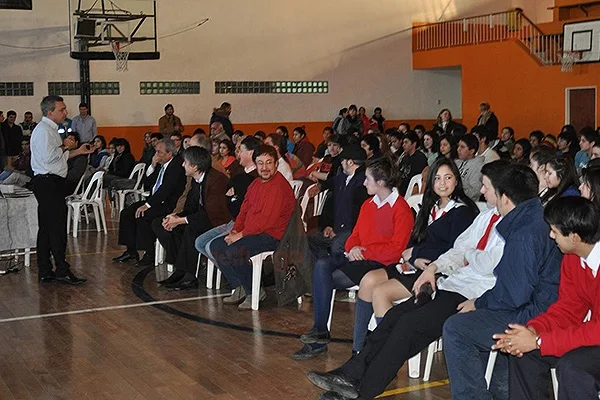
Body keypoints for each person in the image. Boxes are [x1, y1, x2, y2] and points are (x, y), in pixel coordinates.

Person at [304, 160, 510, 400]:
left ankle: (364, 390)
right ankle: (351, 372)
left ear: (501, 190)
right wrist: (432, 265)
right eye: (437, 179)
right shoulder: (484, 218)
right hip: (444, 279)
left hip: (470, 291)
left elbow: (480, 260)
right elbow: (457, 249)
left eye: (485, 186)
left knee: (406, 324)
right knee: (394, 316)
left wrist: (459, 257)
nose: (481, 191)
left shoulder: (486, 218)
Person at [442, 164, 562, 400]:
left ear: (505, 198)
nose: (484, 194)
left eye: (488, 189)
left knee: (456, 328)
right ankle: (502, 392)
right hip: (542, 305)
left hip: (536, 314)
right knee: (482, 322)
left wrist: (479, 302)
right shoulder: (537, 218)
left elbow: (513, 295)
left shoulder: (523, 233)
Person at [352, 157, 480, 353]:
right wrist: (413, 257)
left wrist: (417, 254)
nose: (442, 183)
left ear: (457, 180)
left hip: (440, 272)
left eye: (448, 178)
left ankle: (387, 353)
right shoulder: (430, 206)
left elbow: (454, 251)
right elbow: (412, 243)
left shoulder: (462, 212)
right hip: (415, 265)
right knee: (368, 280)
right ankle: (359, 349)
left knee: (381, 292)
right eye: (437, 178)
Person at [293, 156, 414, 360]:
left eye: (367, 179)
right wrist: (352, 247)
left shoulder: (401, 209)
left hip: (379, 263)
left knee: (327, 277)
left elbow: (396, 249)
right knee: (323, 264)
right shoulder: (368, 204)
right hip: (358, 256)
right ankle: (320, 330)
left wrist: (362, 251)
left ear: (381, 182)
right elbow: (355, 234)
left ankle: (321, 337)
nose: (364, 182)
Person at [493, 197, 600, 400]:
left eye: (555, 232)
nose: (551, 236)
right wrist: (532, 331)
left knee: (573, 367)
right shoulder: (572, 258)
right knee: (524, 354)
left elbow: (597, 330)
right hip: (595, 336)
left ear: (575, 237)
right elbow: (567, 309)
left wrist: (539, 341)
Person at [209, 145, 295, 310]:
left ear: (276, 164)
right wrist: (236, 229)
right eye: (260, 163)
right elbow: (244, 210)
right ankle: (239, 286)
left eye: (269, 163)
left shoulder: (279, 186)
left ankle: (254, 292)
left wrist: (241, 235)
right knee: (216, 245)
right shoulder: (255, 183)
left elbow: (266, 221)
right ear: (255, 164)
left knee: (234, 250)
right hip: (253, 232)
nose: (264, 167)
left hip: (274, 236)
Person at [31, 95, 94, 285]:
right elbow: (50, 158)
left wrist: (77, 151)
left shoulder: (51, 130)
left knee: (47, 228)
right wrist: (65, 144)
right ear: (50, 112)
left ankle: (45, 270)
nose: (66, 112)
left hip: (49, 181)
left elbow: (58, 158)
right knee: (56, 228)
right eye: (62, 109)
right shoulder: (43, 131)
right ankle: (61, 269)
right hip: (48, 183)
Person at [152, 147, 231, 290]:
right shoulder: (196, 179)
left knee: (191, 228)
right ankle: (180, 269)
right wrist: (175, 216)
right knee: (160, 224)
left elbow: (211, 213)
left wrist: (181, 220)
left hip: (217, 221)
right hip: (202, 216)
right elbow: (191, 207)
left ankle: (189, 276)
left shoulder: (216, 180)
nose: (182, 165)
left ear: (195, 166)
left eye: (185, 162)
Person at [113, 139, 186, 267]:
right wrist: (152, 165)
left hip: (169, 204)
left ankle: (149, 254)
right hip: (156, 199)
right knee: (127, 212)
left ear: (169, 153)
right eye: (156, 151)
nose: (156, 155)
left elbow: (166, 190)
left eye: (159, 152)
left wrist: (147, 205)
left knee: (144, 215)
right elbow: (147, 184)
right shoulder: (161, 165)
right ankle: (131, 251)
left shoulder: (176, 166)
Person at [194, 136, 261, 274]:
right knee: (200, 242)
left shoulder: (256, 177)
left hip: (244, 223)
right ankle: (232, 275)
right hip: (233, 219)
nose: (237, 153)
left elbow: (242, 205)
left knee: (212, 246)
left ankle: (240, 279)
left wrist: (233, 199)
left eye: (239, 150)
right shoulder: (239, 173)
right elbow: (228, 200)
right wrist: (232, 199)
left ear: (250, 153)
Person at [307, 145, 370, 262]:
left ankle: (334, 271)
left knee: (337, 244)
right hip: (336, 227)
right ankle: (324, 264)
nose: (341, 163)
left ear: (350, 163)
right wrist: (329, 225)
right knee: (310, 238)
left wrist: (337, 231)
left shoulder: (363, 184)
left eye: (343, 161)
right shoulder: (342, 178)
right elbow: (329, 184)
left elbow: (357, 216)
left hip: (352, 231)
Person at [455, 134, 485, 201]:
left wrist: (455, 191)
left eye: (462, 147)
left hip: (466, 204)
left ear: (471, 151)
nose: (458, 149)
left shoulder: (478, 166)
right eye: (458, 146)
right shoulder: (457, 162)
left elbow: (475, 192)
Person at [398, 131, 428, 195]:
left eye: (406, 142)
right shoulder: (404, 157)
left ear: (414, 144)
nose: (403, 145)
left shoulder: (420, 158)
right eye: (403, 143)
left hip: (412, 190)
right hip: (401, 190)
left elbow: (418, 178)